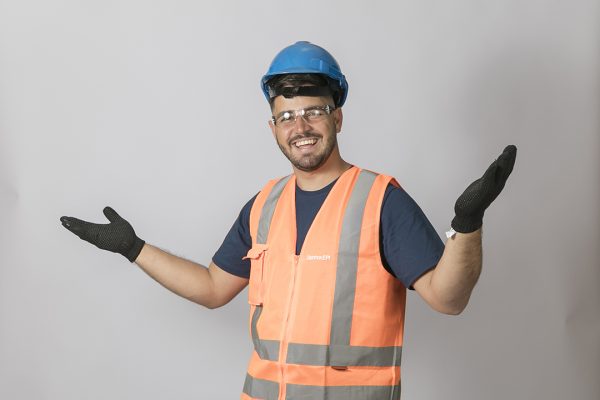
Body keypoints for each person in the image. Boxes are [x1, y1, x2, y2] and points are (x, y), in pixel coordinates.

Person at [60, 41, 517, 400]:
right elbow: (212, 288)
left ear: (337, 117)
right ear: (273, 128)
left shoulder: (381, 201)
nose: (300, 127)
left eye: (314, 112)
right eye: (287, 117)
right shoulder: (264, 205)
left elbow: (448, 299)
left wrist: (467, 223)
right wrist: (134, 248)